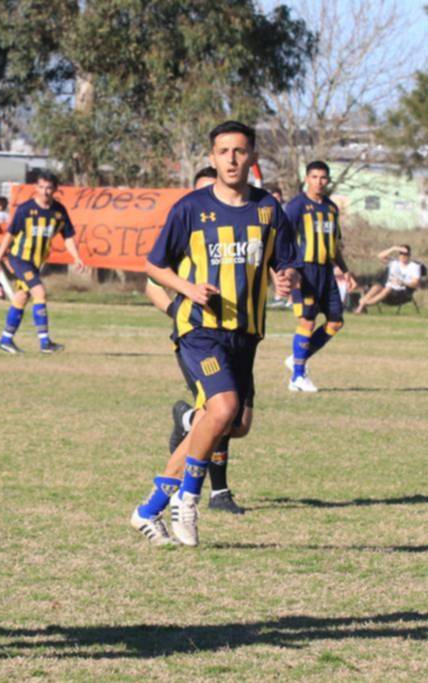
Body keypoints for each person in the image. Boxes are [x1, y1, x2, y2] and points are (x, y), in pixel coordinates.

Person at [130, 120, 296, 547]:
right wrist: (188, 290)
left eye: (240, 151)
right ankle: (188, 498)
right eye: (224, 151)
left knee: (232, 424)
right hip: (199, 328)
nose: (232, 159)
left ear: (253, 157)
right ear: (212, 157)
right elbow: (153, 265)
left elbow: (285, 262)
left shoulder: (268, 210)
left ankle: (148, 509)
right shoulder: (191, 208)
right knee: (222, 409)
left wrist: (285, 279)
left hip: (246, 334)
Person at [144, 166, 246, 515]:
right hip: (196, 336)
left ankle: (185, 421)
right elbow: (152, 281)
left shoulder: (240, 224)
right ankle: (213, 492)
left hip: (236, 334)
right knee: (220, 410)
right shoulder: (186, 219)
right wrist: (181, 308)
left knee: (236, 423)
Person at [0, 171, 86, 354]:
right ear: (35, 188)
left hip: (35, 263)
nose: (45, 192)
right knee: (39, 292)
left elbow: (68, 236)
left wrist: (76, 257)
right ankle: (45, 342)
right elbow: (9, 235)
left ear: (55, 189)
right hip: (20, 258)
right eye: (41, 187)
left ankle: (5, 339)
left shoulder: (58, 211)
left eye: (49, 188)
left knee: (21, 297)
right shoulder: (25, 209)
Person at [282, 161, 357, 392]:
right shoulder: (296, 206)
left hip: (326, 271)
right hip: (304, 271)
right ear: (307, 179)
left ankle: (298, 357)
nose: (319, 182)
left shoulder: (331, 209)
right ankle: (298, 375)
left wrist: (345, 271)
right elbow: (283, 240)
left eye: (323, 177)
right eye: (314, 177)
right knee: (308, 320)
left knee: (336, 321)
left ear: (328, 180)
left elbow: (334, 245)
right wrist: (288, 270)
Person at [354, 245, 421, 314]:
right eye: (401, 253)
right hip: (388, 285)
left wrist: (403, 283)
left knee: (388, 288)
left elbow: (415, 284)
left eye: (406, 254)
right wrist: (394, 248)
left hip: (401, 291)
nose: (403, 256)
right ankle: (361, 306)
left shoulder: (414, 267)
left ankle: (362, 304)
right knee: (377, 286)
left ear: (409, 255)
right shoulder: (394, 262)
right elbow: (380, 256)